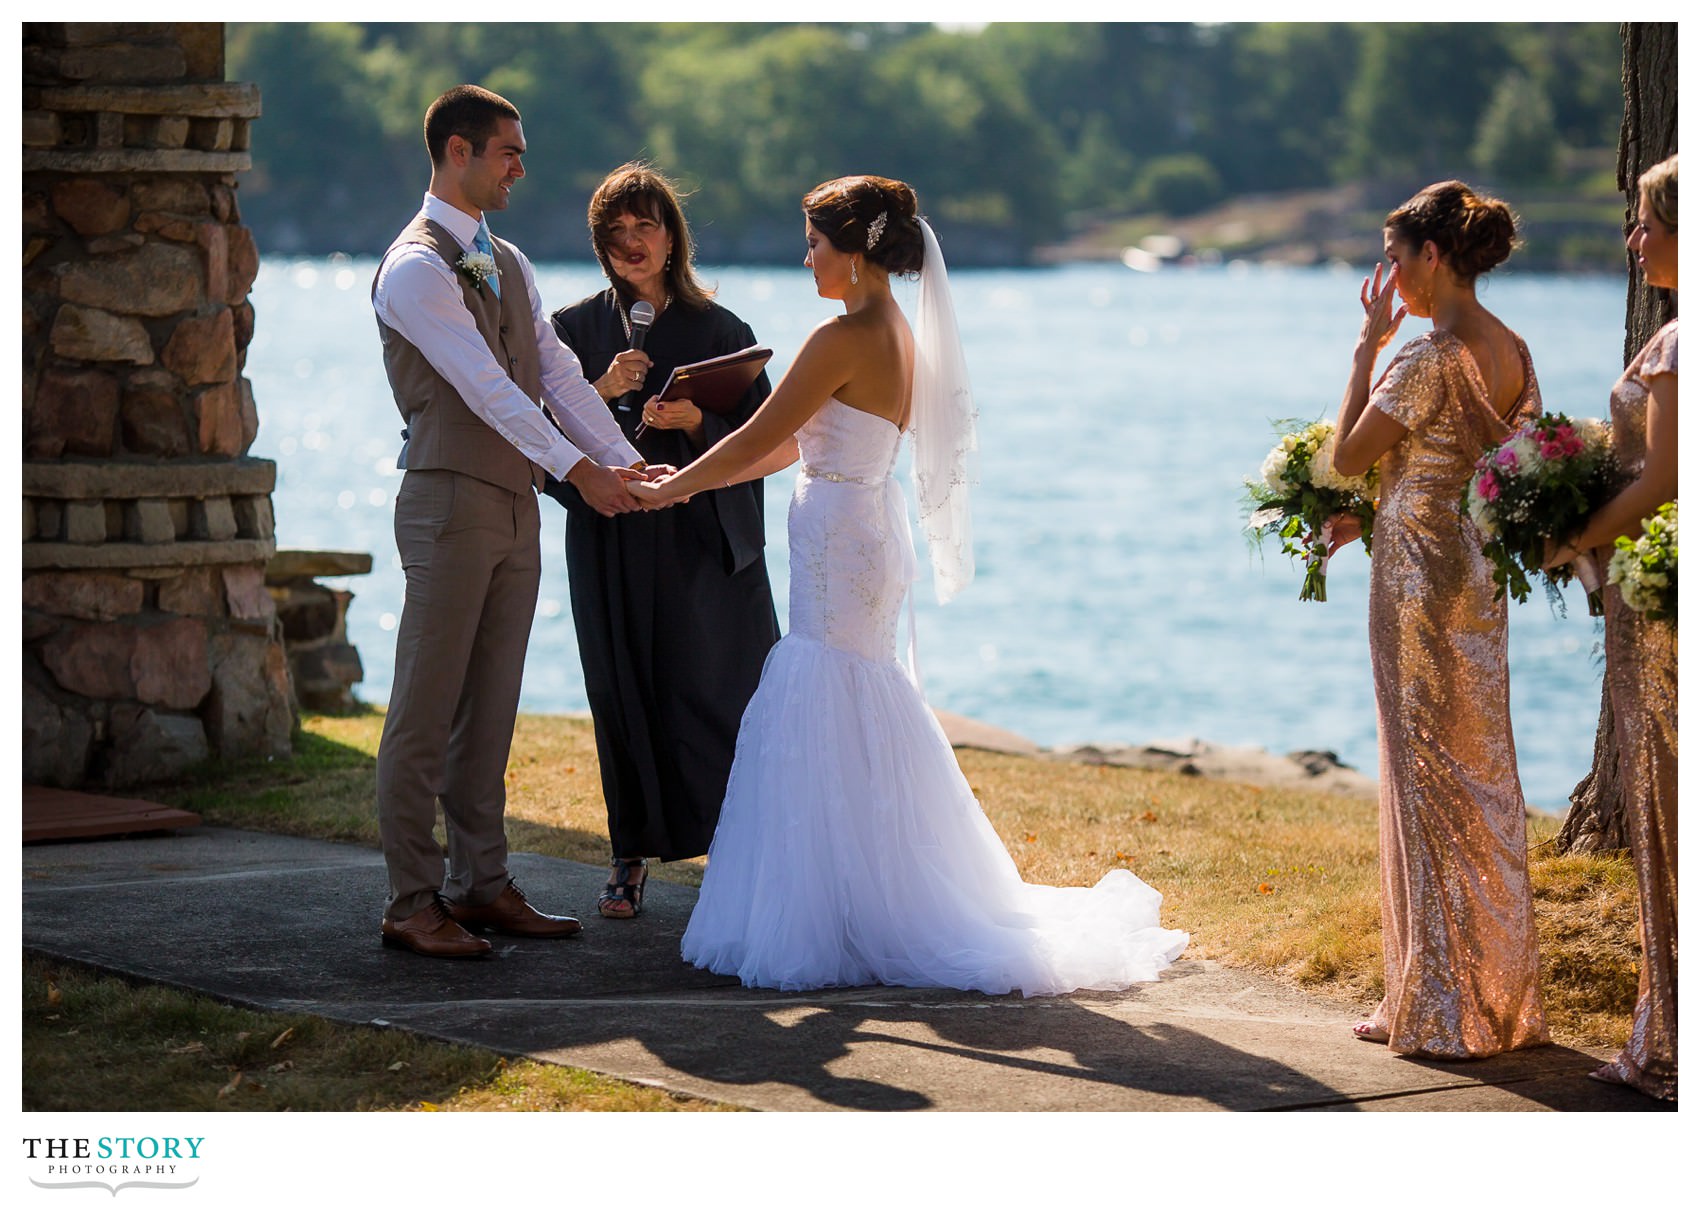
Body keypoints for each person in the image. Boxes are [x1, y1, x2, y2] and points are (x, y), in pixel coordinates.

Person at [626, 176, 1188, 995]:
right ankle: (869, 888)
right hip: (867, 526)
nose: (806, 256)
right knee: (862, 694)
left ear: (855, 255)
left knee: (825, 690)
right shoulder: (895, 331)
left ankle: (845, 906)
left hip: (841, 545)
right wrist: (692, 475)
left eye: (815, 242)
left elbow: (757, 438)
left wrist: (668, 487)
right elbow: (799, 444)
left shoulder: (838, 337)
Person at [371, 85, 655, 958]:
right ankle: (412, 900)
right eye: (508, 152)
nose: (521, 167)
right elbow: (490, 391)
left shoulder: (513, 260)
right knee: (426, 709)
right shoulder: (415, 268)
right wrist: (582, 472)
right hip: (449, 500)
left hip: (513, 504)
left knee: (492, 707)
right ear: (457, 151)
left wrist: (621, 460)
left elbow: (560, 376)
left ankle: (482, 884)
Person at [1328, 181, 1549, 1057]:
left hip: (1418, 579)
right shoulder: (1517, 351)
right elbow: (1501, 465)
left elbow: (1349, 456)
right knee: (1482, 772)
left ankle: (1439, 999)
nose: (1390, 275)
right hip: (1480, 573)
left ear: (1432, 256)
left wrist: (1362, 351)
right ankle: (1499, 992)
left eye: (1395, 257)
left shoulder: (1421, 357)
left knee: (1422, 778)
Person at [546, 163, 779, 920]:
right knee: (623, 692)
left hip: (702, 543)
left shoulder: (723, 332)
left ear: (672, 234)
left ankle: (741, 850)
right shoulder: (571, 333)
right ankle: (628, 853)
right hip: (612, 541)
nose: (631, 246)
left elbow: (770, 441)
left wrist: (700, 428)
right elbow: (531, 435)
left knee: (718, 691)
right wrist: (603, 391)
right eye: (615, 236)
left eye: (645, 227)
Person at [1542, 154, 1677, 1100]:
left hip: (1661, 610)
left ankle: (1669, 1040)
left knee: (1669, 812)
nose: (1633, 240)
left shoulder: (1676, 346)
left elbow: (1666, 480)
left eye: (1646, 221)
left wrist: (1573, 536)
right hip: (1649, 594)